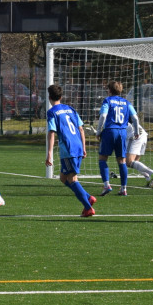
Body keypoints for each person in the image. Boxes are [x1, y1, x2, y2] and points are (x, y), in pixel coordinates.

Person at [45, 84, 98, 217]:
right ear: (61, 97)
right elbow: (81, 128)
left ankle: (88, 208)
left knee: (72, 179)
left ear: (49, 97)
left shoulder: (52, 112)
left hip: (68, 149)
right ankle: (88, 197)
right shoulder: (70, 109)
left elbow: (52, 132)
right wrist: (84, 147)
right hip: (78, 146)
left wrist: (49, 153)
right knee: (63, 178)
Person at [96, 81, 140, 197]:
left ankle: (106, 185)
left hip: (109, 131)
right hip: (122, 132)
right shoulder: (126, 102)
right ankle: (123, 188)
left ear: (109, 90)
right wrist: (136, 132)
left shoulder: (108, 101)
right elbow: (135, 118)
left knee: (103, 158)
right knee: (122, 161)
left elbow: (103, 116)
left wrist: (99, 130)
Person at [126, 121, 153, 188]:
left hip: (134, 136)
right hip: (142, 135)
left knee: (128, 162)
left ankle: (152, 173)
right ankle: (149, 178)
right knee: (136, 162)